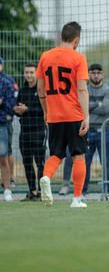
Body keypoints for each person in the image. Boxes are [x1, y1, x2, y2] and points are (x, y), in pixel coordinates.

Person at [37, 22, 90, 208]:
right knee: (79, 155)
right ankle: (76, 199)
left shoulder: (45, 56)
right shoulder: (79, 58)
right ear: (77, 40)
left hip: (54, 116)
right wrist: (86, 116)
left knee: (56, 154)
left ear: (61, 37)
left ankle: (46, 176)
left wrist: (46, 111)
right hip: (74, 114)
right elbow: (82, 90)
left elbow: (40, 89)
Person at [14, 62, 46, 201]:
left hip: (38, 130)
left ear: (37, 73)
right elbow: (19, 109)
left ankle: (41, 192)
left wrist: (27, 110)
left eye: (31, 72)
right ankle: (32, 191)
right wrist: (17, 110)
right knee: (27, 161)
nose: (28, 75)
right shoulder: (22, 91)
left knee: (40, 162)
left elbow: (44, 111)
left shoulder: (42, 90)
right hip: (24, 131)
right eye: (26, 72)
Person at [82, 63, 109, 200]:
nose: (95, 75)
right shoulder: (84, 90)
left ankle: (107, 191)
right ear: (89, 74)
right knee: (84, 162)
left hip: (103, 130)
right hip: (88, 131)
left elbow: (105, 109)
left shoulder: (108, 91)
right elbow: (80, 107)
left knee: (106, 161)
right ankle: (82, 191)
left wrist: (89, 106)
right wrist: (97, 104)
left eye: (98, 73)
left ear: (102, 75)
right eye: (93, 73)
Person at [0, 56, 18, 188]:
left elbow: (13, 104)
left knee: (7, 152)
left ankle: (10, 179)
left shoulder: (8, 82)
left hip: (4, 123)